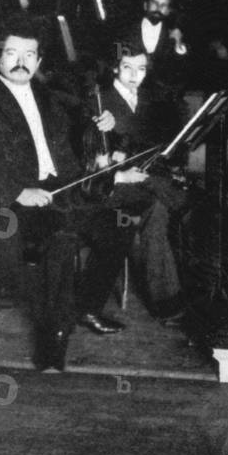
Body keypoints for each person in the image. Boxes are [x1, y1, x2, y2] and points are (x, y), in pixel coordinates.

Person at [0, 24, 132, 370]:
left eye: (29, 55)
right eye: (12, 53)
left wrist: (102, 123)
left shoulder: (47, 95)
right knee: (61, 237)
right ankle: (53, 337)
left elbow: (81, 127)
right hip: (9, 200)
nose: (20, 62)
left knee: (119, 224)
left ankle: (83, 307)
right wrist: (18, 191)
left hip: (60, 190)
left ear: (39, 60)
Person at [82, 47, 187, 321]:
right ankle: (167, 301)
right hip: (109, 186)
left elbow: (148, 144)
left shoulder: (147, 99)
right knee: (162, 204)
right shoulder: (99, 100)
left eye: (140, 69)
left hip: (139, 177)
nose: (134, 76)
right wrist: (121, 168)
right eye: (127, 67)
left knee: (158, 207)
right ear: (116, 68)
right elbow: (93, 157)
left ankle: (169, 300)